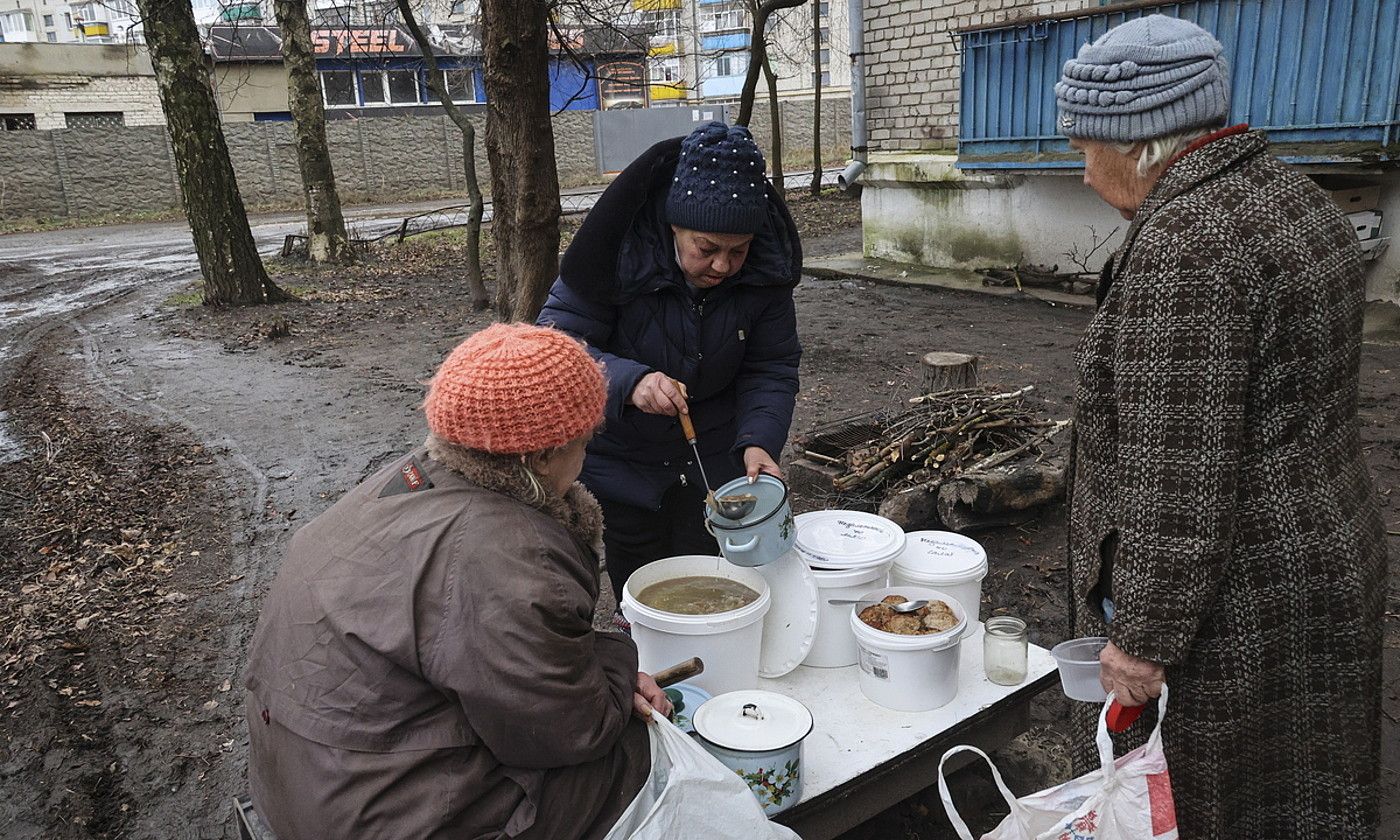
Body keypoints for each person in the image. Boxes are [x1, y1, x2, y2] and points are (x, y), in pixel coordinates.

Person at [1057, 14, 1388, 837]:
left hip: (1233, 604)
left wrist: (1140, 642)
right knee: (1298, 793)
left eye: (1085, 143)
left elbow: (1182, 480)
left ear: (1140, 143)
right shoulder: (1289, 192)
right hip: (1322, 561)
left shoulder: (1185, 248)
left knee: (1209, 805)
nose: (1080, 166)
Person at [243, 323, 670, 840]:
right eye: (583, 442)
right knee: (635, 751)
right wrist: (618, 664)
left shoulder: (407, 478)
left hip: (302, 774)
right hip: (367, 813)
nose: (585, 458)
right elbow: (568, 733)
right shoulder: (511, 553)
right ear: (539, 455)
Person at [538, 121, 802, 600]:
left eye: (738, 251)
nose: (722, 266)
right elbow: (556, 347)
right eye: (706, 249)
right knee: (640, 588)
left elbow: (771, 367)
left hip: (714, 461)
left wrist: (760, 441)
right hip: (625, 464)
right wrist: (630, 383)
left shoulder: (764, 276)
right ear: (673, 223)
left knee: (706, 581)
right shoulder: (615, 256)